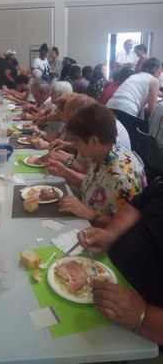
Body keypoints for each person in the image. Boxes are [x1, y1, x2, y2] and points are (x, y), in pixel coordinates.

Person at [77, 176, 163, 348]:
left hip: (140, 323)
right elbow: (137, 206)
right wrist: (111, 234)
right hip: (105, 275)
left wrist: (141, 316)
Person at [48, 104, 146, 226]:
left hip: (97, 232)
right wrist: (64, 171)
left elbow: (127, 229)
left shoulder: (121, 178)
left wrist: (90, 213)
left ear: (94, 141)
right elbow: (96, 186)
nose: (73, 145)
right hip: (81, 217)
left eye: (76, 141)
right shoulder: (102, 153)